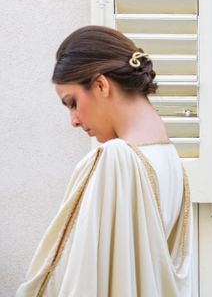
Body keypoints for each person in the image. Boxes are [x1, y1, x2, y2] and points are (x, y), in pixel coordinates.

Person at [17, 26, 193, 296]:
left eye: (73, 102)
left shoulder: (116, 161)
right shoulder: (173, 163)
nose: (74, 121)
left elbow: (80, 279)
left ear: (101, 85)